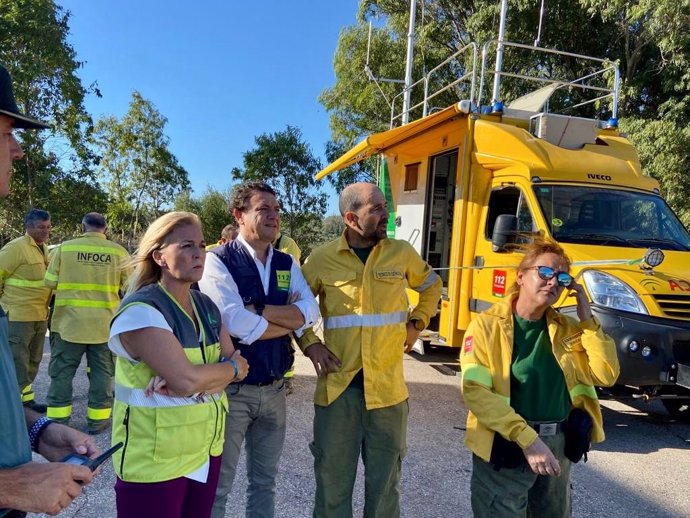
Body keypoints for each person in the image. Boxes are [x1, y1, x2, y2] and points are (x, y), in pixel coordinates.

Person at [297, 182, 442, 518]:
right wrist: (310, 344)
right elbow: (295, 307)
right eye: (375, 208)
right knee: (332, 487)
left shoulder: (401, 253)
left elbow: (432, 285)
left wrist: (417, 323)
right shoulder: (321, 259)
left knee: (385, 490)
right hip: (338, 392)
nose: (384, 214)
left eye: (384, 206)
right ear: (351, 217)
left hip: (389, 393)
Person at [460, 237, 620, 517]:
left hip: (557, 443)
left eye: (562, 277)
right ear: (521, 276)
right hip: (508, 441)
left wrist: (588, 320)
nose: (553, 281)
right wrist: (527, 439)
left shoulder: (569, 329)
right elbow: (476, 392)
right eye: (545, 272)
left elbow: (605, 374)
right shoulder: (486, 326)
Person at [0, 62, 98, 517]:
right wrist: (8, 487)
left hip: (46, 320)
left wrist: (39, 432)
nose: (17, 150)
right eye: (5, 133)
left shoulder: (52, 251)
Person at [108, 211, 248, 518]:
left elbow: (238, 365)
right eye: (186, 246)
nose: (199, 253)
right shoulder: (141, 310)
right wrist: (208, 376)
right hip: (154, 461)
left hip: (205, 451)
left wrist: (210, 375)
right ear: (159, 256)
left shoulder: (207, 307)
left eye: (200, 244)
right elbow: (188, 381)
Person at [198, 181, 319, 518]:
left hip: (275, 391)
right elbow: (234, 322)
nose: (274, 216)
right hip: (232, 393)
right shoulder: (217, 261)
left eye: (276, 209)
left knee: (265, 483)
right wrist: (287, 320)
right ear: (239, 215)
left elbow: (311, 312)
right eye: (264, 209)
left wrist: (259, 310)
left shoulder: (286, 262)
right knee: (218, 486)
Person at [44, 212, 129, 434]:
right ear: (105, 229)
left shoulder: (66, 248)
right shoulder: (118, 252)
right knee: (102, 373)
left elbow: (49, 282)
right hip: (104, 326)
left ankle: (58, 422)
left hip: (68, 325)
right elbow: (131, 286)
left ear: (82, 227)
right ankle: (97, 421)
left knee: (62, 372)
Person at [0, 208, 53, 412]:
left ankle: (26, 402)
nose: (46, 231)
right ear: (28, 226)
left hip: (39, 315)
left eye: (48, 227)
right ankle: (11, 407)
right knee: (17, 362)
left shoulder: (45, 248)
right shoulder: (16, 248)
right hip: (18, 316)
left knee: (33, 360)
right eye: (41, 227)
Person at [272, 229, 301, 395]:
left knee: (287, 342)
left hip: (287, 300)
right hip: (273, 299)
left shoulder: (287, 244)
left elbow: (292, 271)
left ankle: (287, 380)